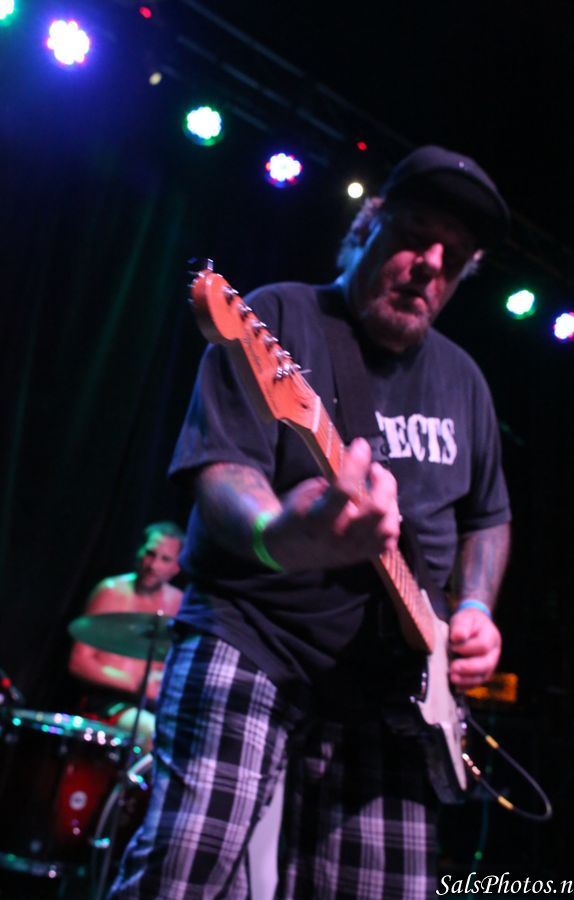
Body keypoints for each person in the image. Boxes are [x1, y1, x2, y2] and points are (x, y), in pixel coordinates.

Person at [109, 145, 512, 899]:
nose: (429, 265)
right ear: (367, 226)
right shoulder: (278, 318)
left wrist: (476, 608)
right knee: (183, 869)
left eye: (452, 258)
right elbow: (223, 472)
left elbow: (488, 516)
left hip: (395, 687)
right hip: (254, 635)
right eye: (415, 235)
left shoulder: (465, 381)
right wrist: (279, 534)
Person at [69, 521, 185, 748]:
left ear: (176, 567)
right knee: (153, 732)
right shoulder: (111, 591)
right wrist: (135, 684)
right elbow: (79, 662)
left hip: (154, 706)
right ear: (139, 551)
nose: (153, 565)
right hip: (107, 701)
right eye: (150, 554)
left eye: (165, 559)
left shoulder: (179, 603)